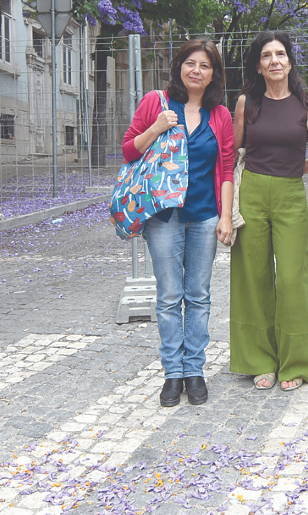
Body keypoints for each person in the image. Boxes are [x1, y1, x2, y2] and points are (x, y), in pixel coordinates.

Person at [121, 38, 235, 408]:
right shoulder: (156, 102)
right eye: (190, 63)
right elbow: (128, 150)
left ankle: (194, 370)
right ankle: (173, 373)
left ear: (214, 74)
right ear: (179, 66)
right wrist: (156, 127)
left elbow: (227, 168)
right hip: (163, 218)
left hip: (204, 216)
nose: (196, 71)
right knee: (169, 297)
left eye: (205, 65)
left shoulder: (220, 115)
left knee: (198, 296)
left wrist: (225, 217)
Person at [229, 31, 308, 392]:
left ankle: (297, 362)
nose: (274, 61)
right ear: (258, 66)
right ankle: (259, 361)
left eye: (280, 54)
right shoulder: (246, 103)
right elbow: (233, 152)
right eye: (267, 55)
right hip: (251, 193)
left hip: (290, 195)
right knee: (252, 277)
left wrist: (286, 172)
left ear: (289, 62)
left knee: (290, 279)